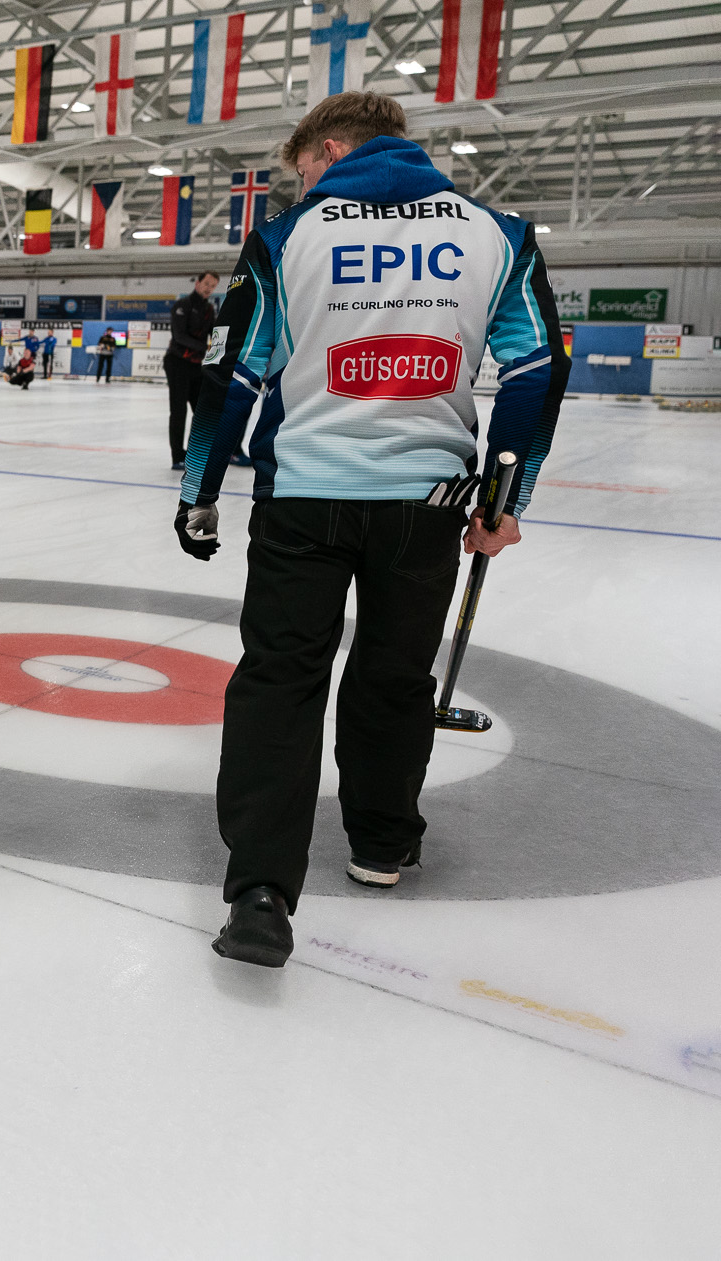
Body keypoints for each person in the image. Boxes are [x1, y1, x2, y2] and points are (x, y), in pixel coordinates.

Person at [174, 90, 569, 969]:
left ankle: (261, 894)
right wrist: (503, 500)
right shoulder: (498, 234)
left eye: (302, 169)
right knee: (394, 677)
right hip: (426, 502)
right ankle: (382, 843)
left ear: (333, 148)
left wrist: (199, 489)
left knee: (280, 680)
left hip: (304, 498)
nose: (301, 186)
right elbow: (538, 369)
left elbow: (232, 375)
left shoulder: (286, 238)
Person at [166, 272, 220, 469]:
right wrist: (205, 347)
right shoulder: (182, 305)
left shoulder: (209, 309)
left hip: (196, 365)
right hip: (176, 363)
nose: (209, 288)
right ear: (197, 283)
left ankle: (194, 453)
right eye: (206, 284)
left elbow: (214, 333)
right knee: (179, 411)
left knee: (202, 411)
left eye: (213, 286)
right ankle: (177, 456)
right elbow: (179, 336)